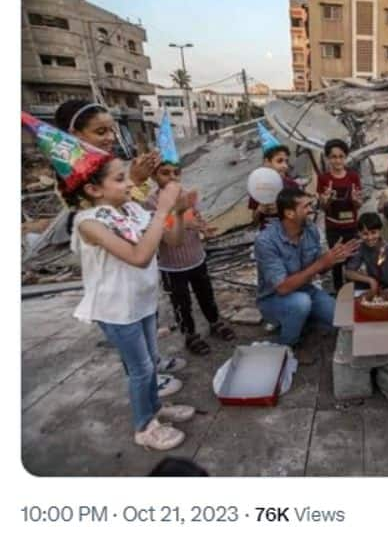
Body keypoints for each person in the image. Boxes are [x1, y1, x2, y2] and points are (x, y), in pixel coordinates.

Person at [21, 113, 197, 451]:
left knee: (151, 361)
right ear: (92, 188)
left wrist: (176, 211)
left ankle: (156, 410)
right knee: (141, 370)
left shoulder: (130, 210)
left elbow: (171, 241)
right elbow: (138, 256)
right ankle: (144, 426)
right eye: (120, 179)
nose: (130, 183)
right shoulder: (89, 222)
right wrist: (161, 210)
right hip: (116, 309)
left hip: (142, 302)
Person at [53, 101, 184, 391]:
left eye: (111, 130)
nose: (111, 137)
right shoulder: (78, 180)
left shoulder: (106, 164)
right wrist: (139, 185)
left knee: (144, 318)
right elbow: (113, 217)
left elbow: (132, 213)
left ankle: (152, 366)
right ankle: (147, 386)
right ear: (75, 134)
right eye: (101, 131)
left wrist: (143, 187)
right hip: (116, 275)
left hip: (137, 271)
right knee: (133, 345)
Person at [255, 188, 360, 364]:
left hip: (306, 290)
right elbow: (282, 287)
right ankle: (289, 344)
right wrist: (320, 263)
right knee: (301, 303)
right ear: (289, 213)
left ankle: (302, 322)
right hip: (273, 299)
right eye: (306, 206)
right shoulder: (266, 241)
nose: (311, 209)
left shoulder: (310, 229)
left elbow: (318, 270)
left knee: (340, 318)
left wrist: (332, 260)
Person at [145, 157, 236, 356]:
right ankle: (190, 335)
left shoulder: (187, 195)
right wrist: (185, 223)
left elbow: (197, 218)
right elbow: (160, 231)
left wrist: (204, 228)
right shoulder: (151, 203)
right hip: (172, 266)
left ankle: (215, 322)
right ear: (153, 176)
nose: (172, 177)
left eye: (176, 173)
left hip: (196, 257)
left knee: (206, 294)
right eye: (165, 172)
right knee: (181, 303)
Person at [317, 138, 363, 291]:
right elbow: (323, 206)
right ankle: (339, 292)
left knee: (353, 260)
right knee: (336, 260)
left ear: (346, 157)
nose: (337, 160)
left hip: (351, 225)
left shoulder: (353, 177)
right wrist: (326, 200)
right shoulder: (323, 179)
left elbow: (358, 204)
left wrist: (356, 200)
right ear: (328, 158)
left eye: (341, 156)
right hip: (333, 227)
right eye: (333, 157)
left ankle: (354, 291)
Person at [249, 122, 300, 230]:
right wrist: (259, 210)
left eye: (286, 161)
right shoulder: (257, 187)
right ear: (267, 162)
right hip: (268, 239)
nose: (285, 166)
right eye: (279, 161)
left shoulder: (293, 186)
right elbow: (254, 222)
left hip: (290, 235)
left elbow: (301, 216)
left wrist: (283, 209)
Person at [345, 212, 388, 291]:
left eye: (373, 232)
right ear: (359, 233)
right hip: (375, 286)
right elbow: (349, 272)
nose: (370, 237)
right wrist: (370, 280)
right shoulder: (361, 247)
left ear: (380, 231)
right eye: (365, 234)